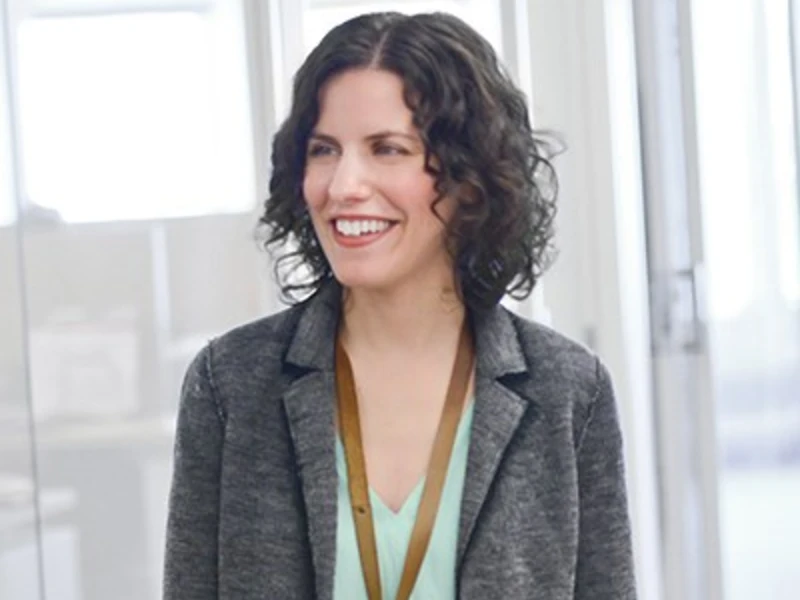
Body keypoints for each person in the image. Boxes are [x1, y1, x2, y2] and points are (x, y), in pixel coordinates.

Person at [163, 11, 636, 600]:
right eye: (324, 150)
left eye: (387, 149)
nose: (343, 186)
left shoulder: (569, 391)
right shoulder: (229, 384)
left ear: (470, 178)